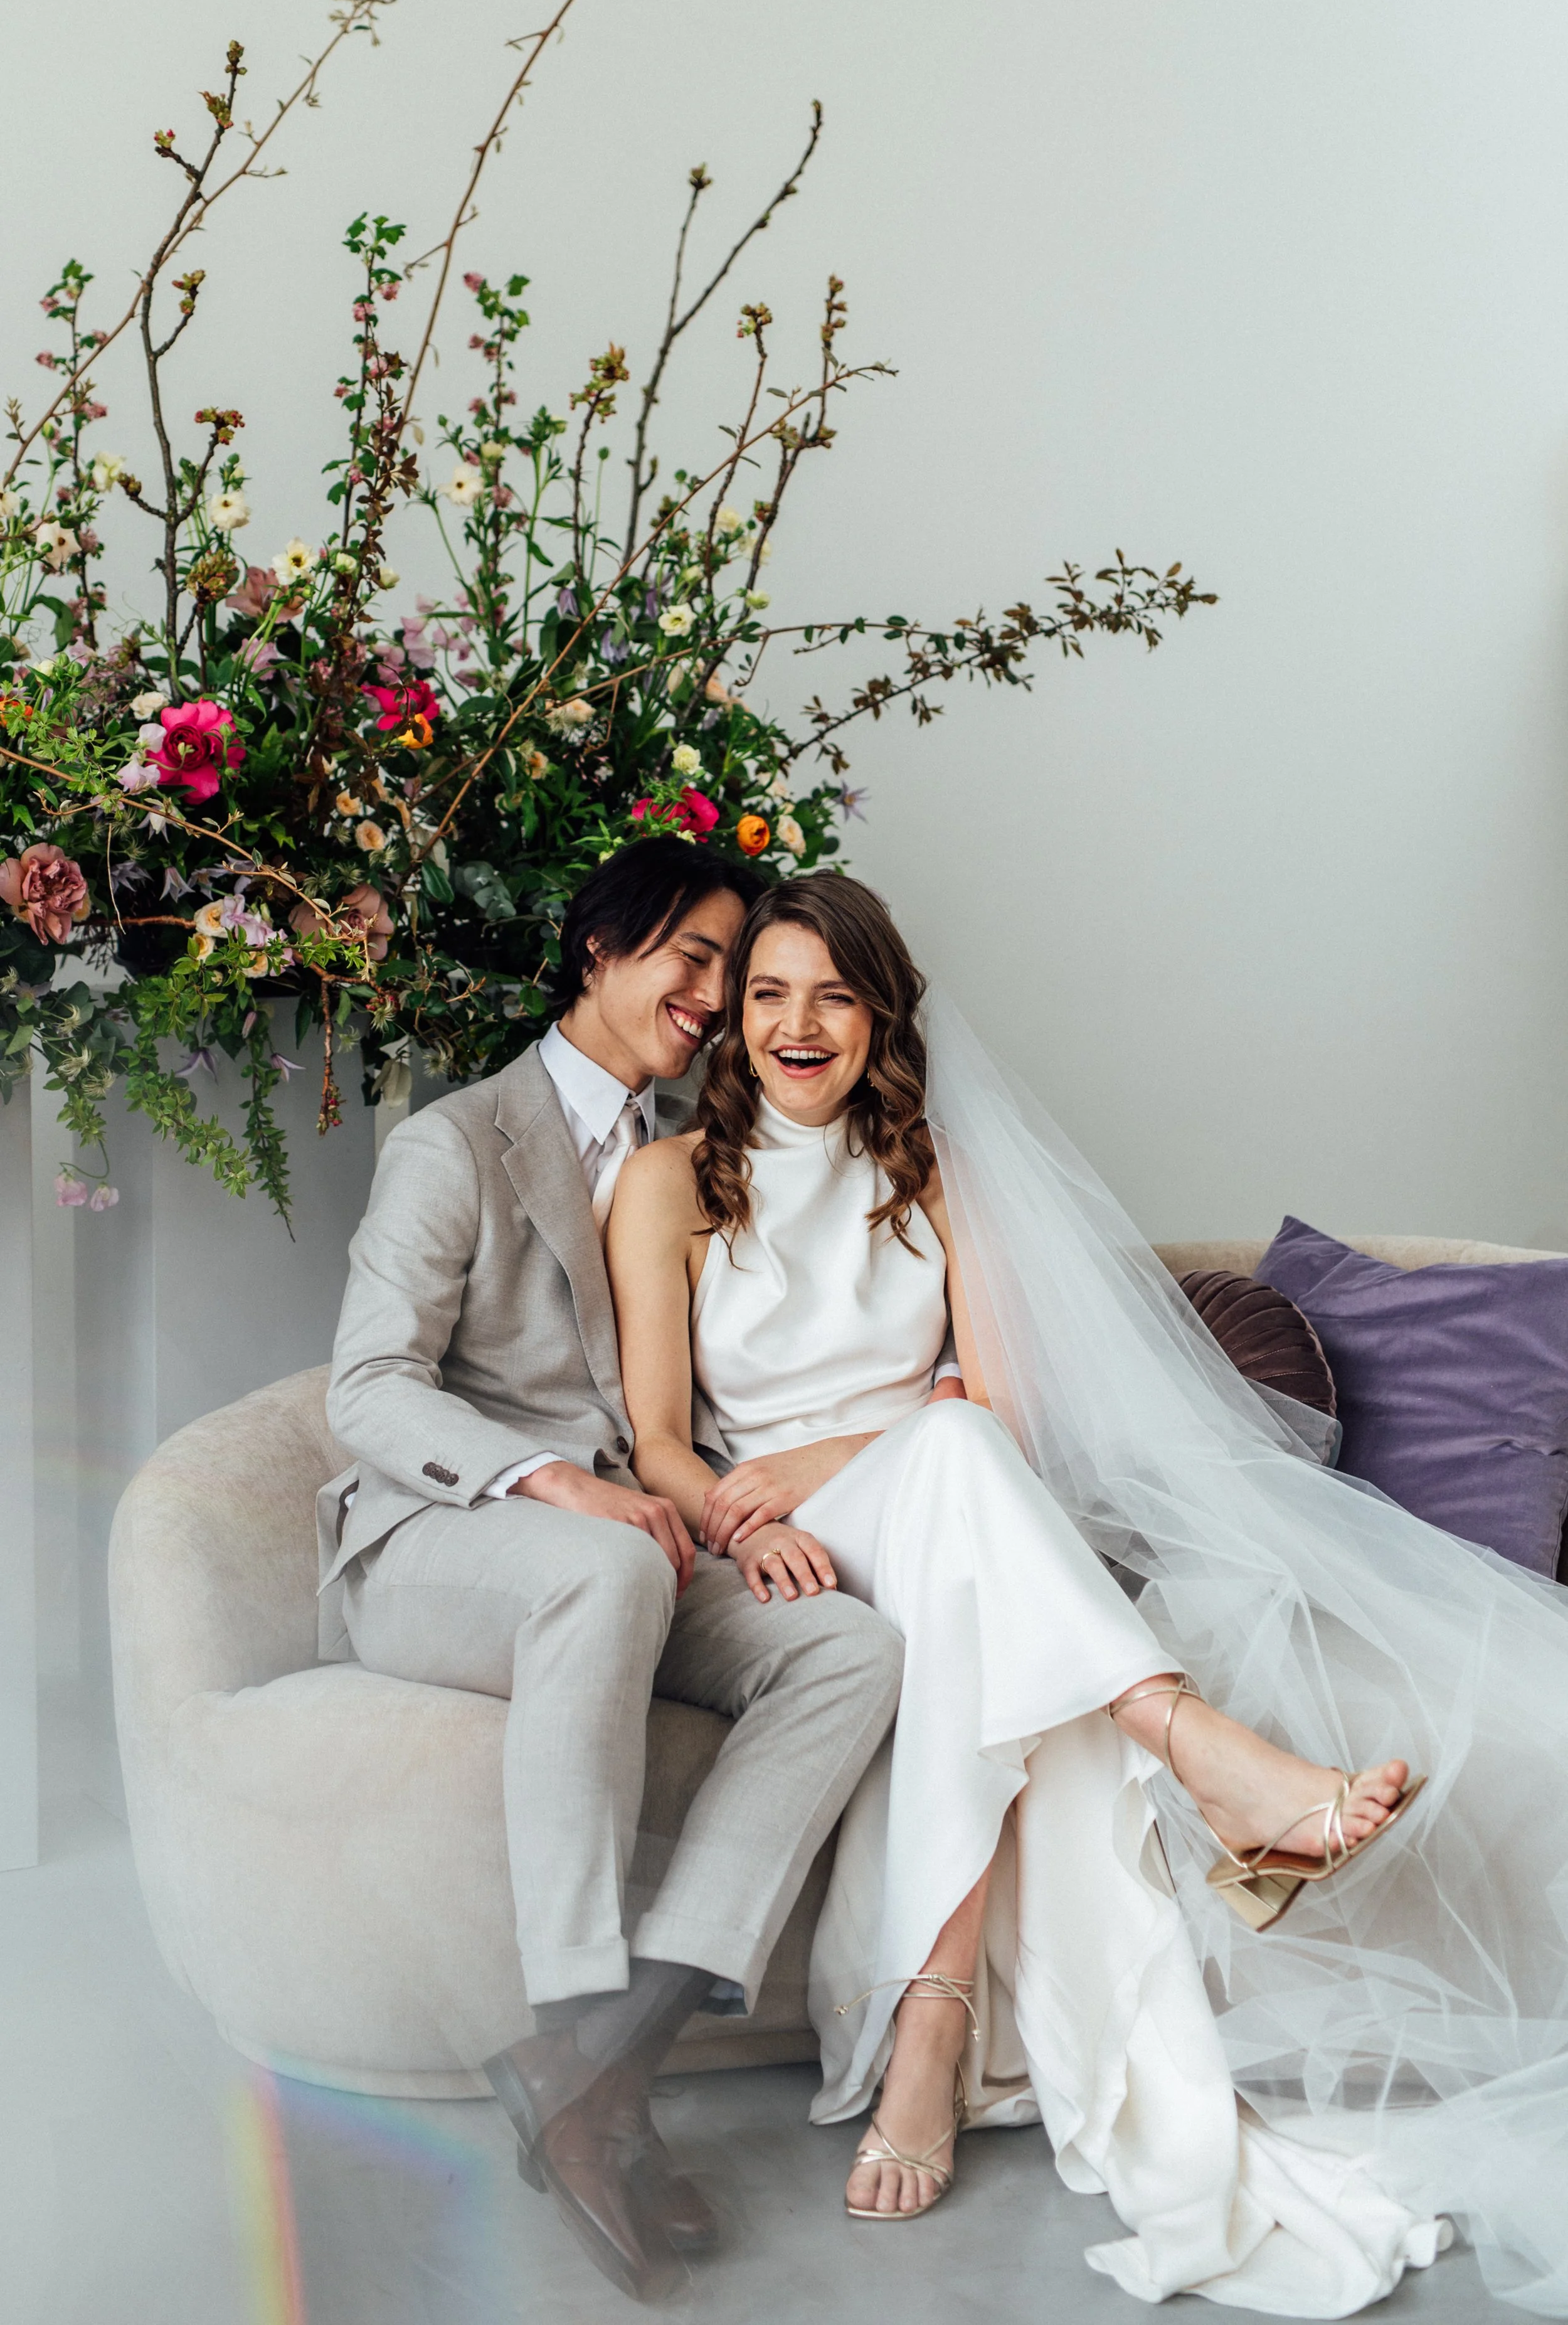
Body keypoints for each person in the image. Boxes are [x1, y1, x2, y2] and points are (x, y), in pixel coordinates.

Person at [607, 870, 1568, 2317]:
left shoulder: (931, 1166)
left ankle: (929, 2035)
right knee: (947, 1458)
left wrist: (831, 1450)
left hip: (946, 1502)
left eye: (834, 993)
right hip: (799, 1549)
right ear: (735, 1019)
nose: (799, 1023)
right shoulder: (665, 1181)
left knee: (954, 1453)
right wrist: (756, 1514)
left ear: (879, 1014)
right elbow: (667, 1447)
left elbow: (988, 1400)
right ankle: (1202, 1750)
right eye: (766, 993)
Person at [317, 839, 904, 2304]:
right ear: (597, 950)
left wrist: (735, 1509)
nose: (711, 997)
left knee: (849, 1647)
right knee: (604, 1571)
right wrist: (551, 1477)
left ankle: (599, 2064)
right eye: (686, 959)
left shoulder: (686, 1154)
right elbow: (367, 1388)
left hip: (630, 1544)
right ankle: (575, 2016)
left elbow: (672, 1416)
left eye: (730, 966)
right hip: (437, 1547)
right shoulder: (453, 1140)